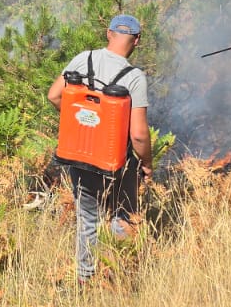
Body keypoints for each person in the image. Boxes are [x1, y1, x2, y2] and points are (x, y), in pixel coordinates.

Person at [46, 14, 152, 284]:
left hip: (79, 155)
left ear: (108, 33)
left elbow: (54, 95)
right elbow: (138, 134)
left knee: (88, 218)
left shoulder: (84, 59)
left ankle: (86, 279)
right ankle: (119, 277)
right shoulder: (135, 77)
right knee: (122, 213)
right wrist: (147, 163)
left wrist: (80, 119)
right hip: (116, 159)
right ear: (137, 40)